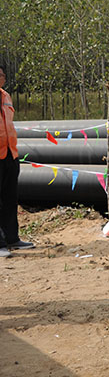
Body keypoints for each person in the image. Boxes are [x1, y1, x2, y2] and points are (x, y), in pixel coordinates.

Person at [0, 63, 35, 259]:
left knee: (10, 199)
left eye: (3, 74)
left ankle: (12, 238)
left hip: (10, 155)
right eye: (0, 74)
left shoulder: (6, 96)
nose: (2, 77)